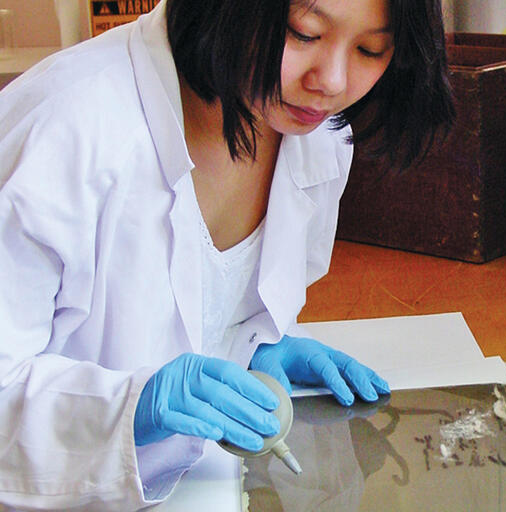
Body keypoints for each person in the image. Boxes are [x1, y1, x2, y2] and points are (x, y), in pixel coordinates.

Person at [0, 0, 454, 509]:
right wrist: (128, 410)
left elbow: (212, 304)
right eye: (302, 33)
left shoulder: (314, 134)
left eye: (371, 49)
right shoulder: (60, 129)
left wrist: (248, 346)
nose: (331, 80)